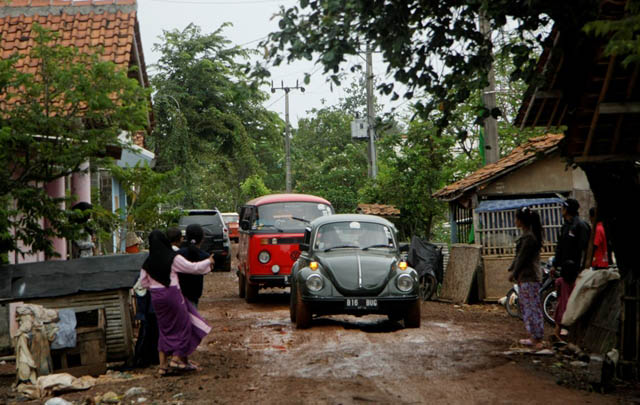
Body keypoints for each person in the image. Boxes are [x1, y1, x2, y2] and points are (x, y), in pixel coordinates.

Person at [138, 230, 214, 376]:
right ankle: (176, 357)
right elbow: (193, 268)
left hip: (156, 297)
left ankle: (162, 367)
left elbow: (143, 282)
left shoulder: (148, 261)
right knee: (184, 324)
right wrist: (208, 262)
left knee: (164, 328)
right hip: (172, 293)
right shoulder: (172, 258)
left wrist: (155, 287)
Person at [552, 198, 591, 340]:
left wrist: (582, 269)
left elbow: (585, 250)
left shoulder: (581, 226)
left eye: (563, 208)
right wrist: (555, 265)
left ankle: (573, 332)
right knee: (563, 301)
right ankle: (560, 330)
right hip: (565, 271)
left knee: (575, 300)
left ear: (567, 209)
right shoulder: (565, 227)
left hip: (576, 272)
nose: (561, 210)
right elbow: (560, 248)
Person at [508, 207, 545, 349]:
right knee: (528, 307)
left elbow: (522, 258)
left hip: (530, 277)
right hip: (527, 277)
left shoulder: (529, 238)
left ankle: (537, 338)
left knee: (531, 308)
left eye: (516, 218)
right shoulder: (528, 236)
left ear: (521, 221)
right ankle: (533, 336)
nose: (515, 221)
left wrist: (514, 273)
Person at [177, 224, 209, 308]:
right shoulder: (205, 256)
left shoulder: (178, 254)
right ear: (202, 239)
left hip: (179, 293)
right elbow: (207, 270)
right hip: (194, 294)